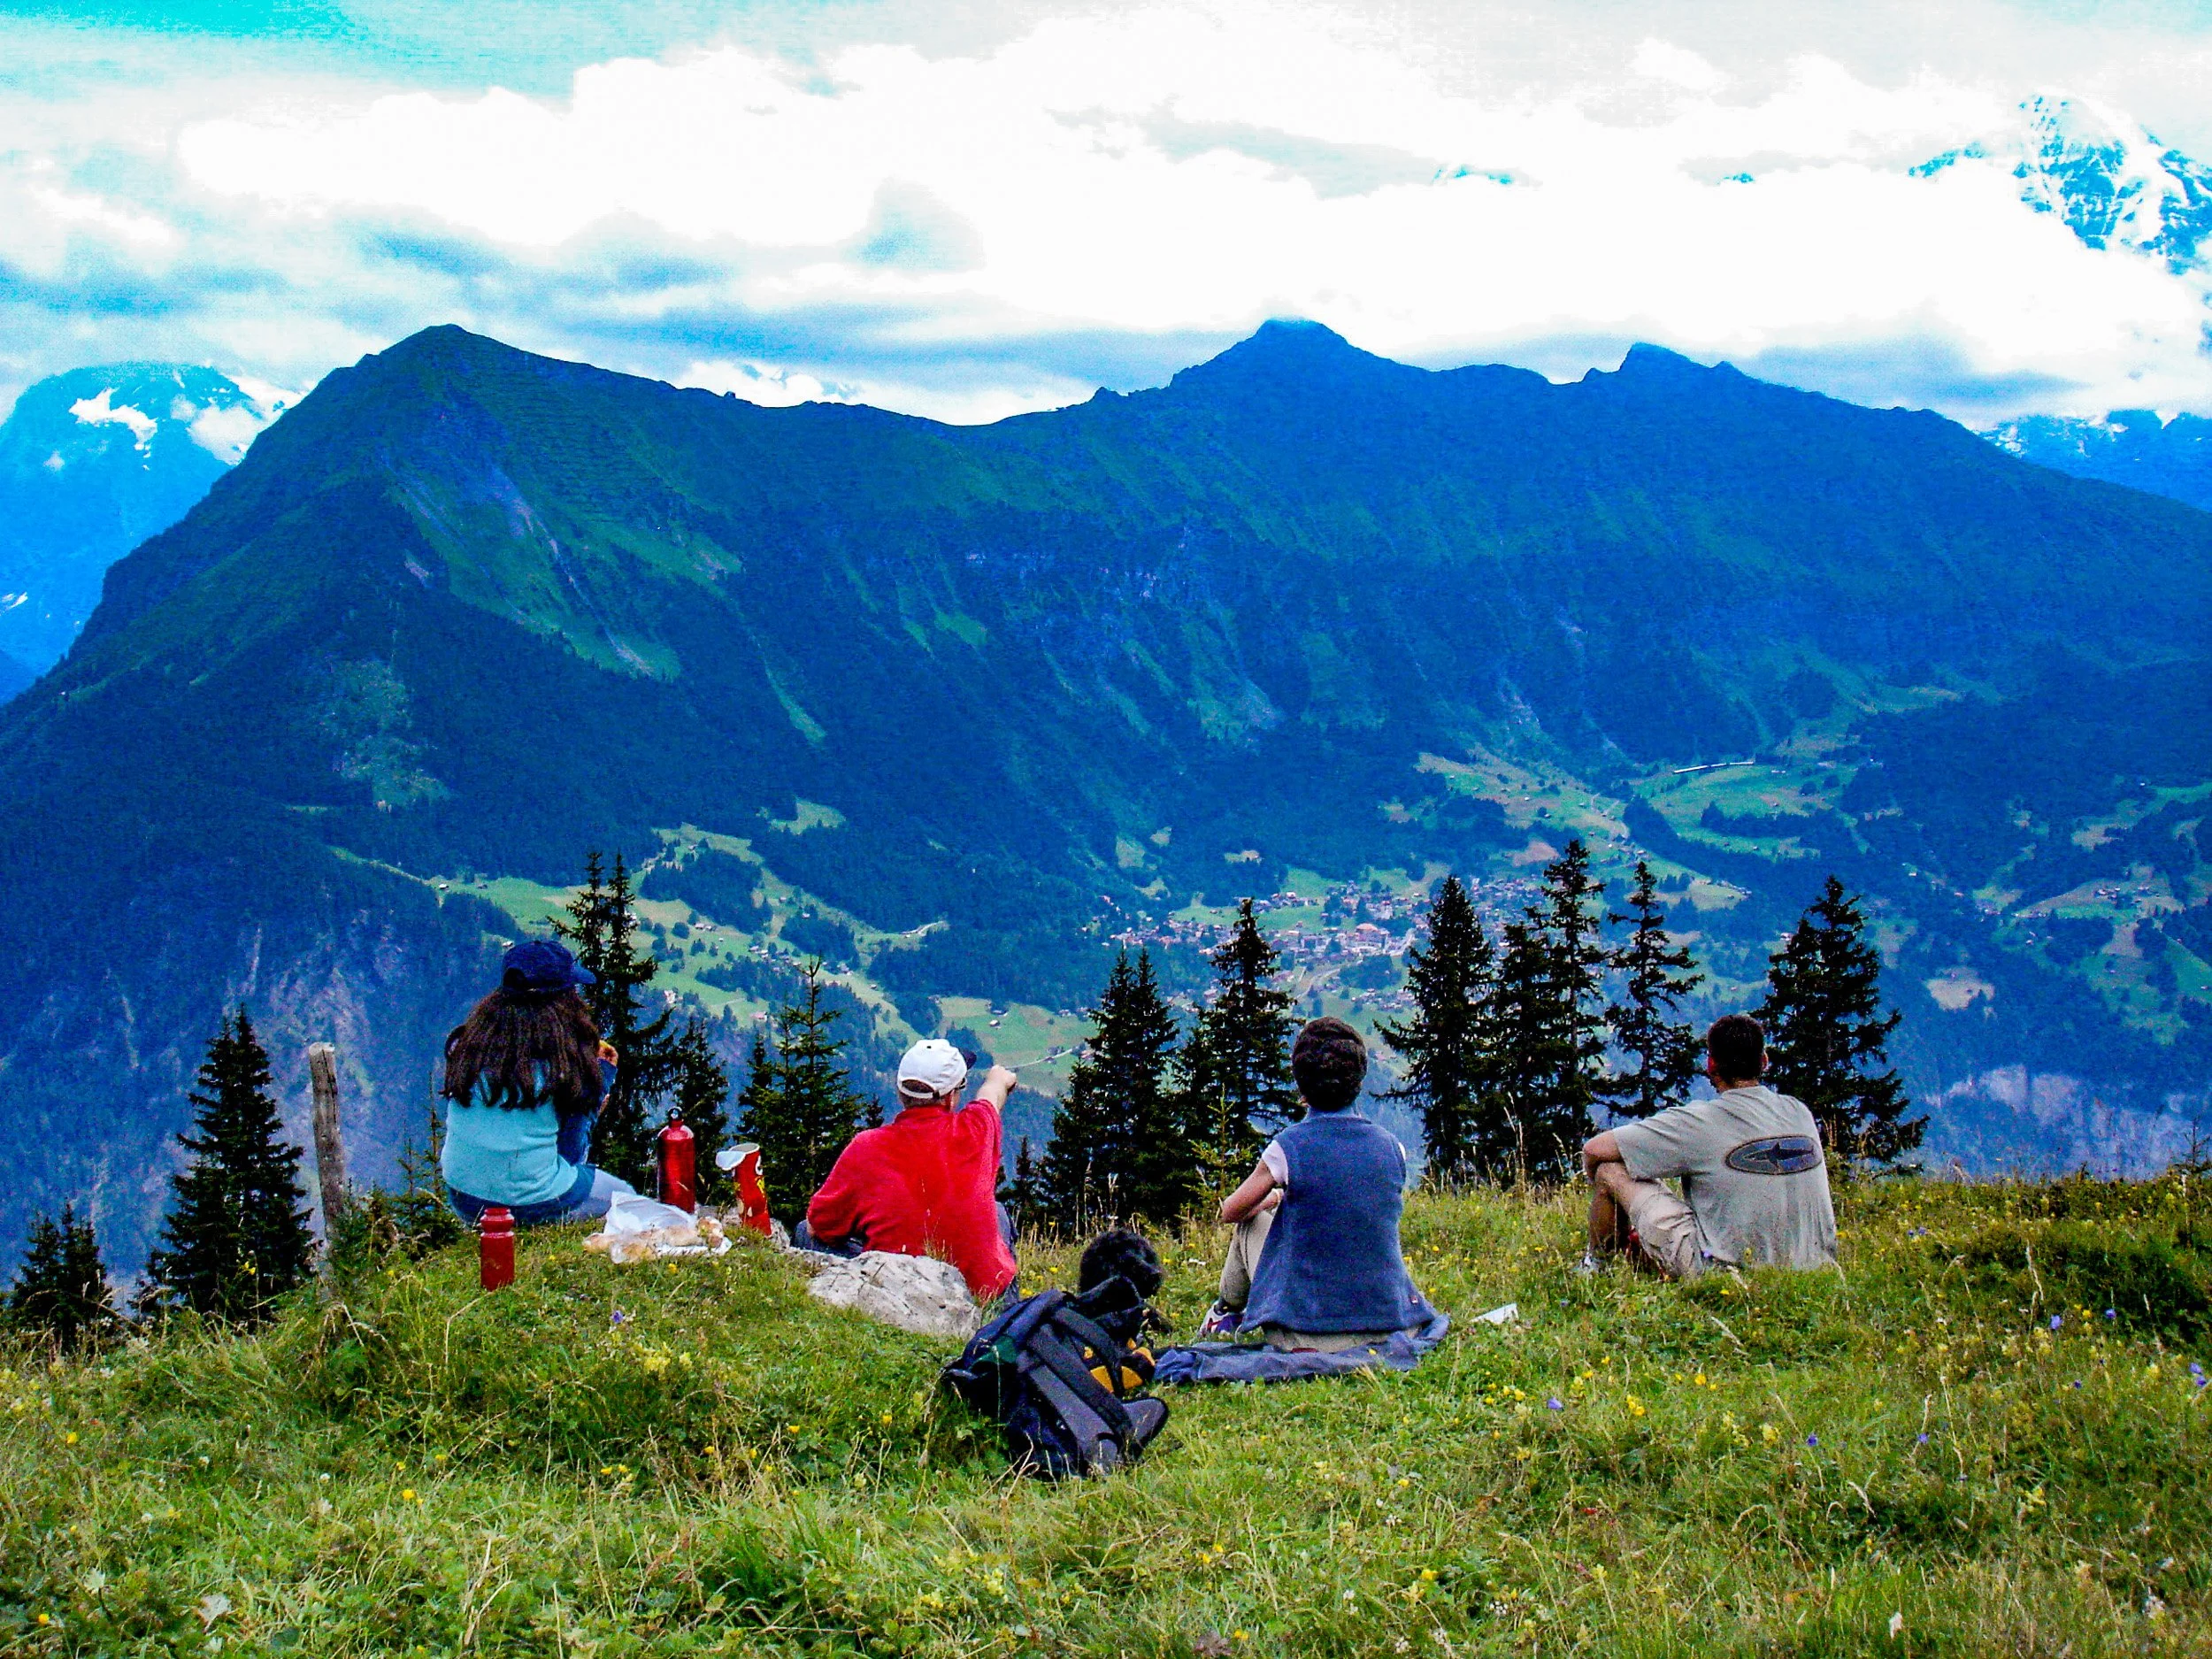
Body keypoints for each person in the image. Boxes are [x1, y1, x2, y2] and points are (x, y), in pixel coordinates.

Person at [1205, 1018, 1436, 1352]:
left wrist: (1271, 1199)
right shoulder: (1393, 1148)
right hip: (1389, 1326)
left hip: (1304, 1335)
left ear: (1301, 1084)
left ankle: (1224, 1312)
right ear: (1358, 1080)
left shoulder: (1288, 1147)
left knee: (1250, 1221)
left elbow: (1230, 1211)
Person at [1579, 1012, 1838, 1279]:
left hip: (1726, 1274)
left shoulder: (1698, 1122)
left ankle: (1598, 1268)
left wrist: (1606, 1196)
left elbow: (1594, 1150)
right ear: (1764, 1061)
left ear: (1711, 1064)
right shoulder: (1798, 1111)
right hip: (1817, 1270)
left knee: (1610, 1170)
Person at [799, 1038, 1021, 1302]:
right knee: (997, 1213)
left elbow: (818, 1228)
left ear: (901, 1093)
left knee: (803, 1231)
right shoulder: (976, 1130)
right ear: (951, 1097)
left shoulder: (866, 1147)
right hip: (984, 1298)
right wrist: (998, 1078)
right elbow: (991, 1097)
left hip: (901, 1294)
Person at [440, 940, 637, 1225]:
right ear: (564, 1000)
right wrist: (601, 1079)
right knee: (624, 1197)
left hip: (465, 1198)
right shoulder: (564, 1063)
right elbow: (570, 1153)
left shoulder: (471, 1046)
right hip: (528, 1203)